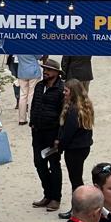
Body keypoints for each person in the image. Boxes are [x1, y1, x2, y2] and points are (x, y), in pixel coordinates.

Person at [29, 57, 65, 211]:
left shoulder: (61, 90)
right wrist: (32, 122)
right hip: (37, 132)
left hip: (52, 133)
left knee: (54, 165)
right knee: (39, 163)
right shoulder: (39, 86)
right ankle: (47, 194)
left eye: (48, 70)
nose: (45, 72)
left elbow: (63, 114)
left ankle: (56, 198)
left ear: (56, 72)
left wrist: (59, 137)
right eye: (44, 69)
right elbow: (34, 105)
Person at [55, 80, 95, 209]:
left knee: (76, 181)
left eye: (66, 91)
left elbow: (68, 133)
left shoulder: (73, 110)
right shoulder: (85, 107)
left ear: (73, 93)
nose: (64, 93)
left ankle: (78, 209)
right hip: (83, 147)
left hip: (74, 149)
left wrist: (60, 147)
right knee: (77, 178)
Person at [8, 51, 40, 124]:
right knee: (32, 95)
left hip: (22, 72)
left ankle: (22, 119)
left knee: (22, 96)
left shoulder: (18, 48)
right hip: (33, 72)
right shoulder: (32, 47)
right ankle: (31, 117)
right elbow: (39, 57)